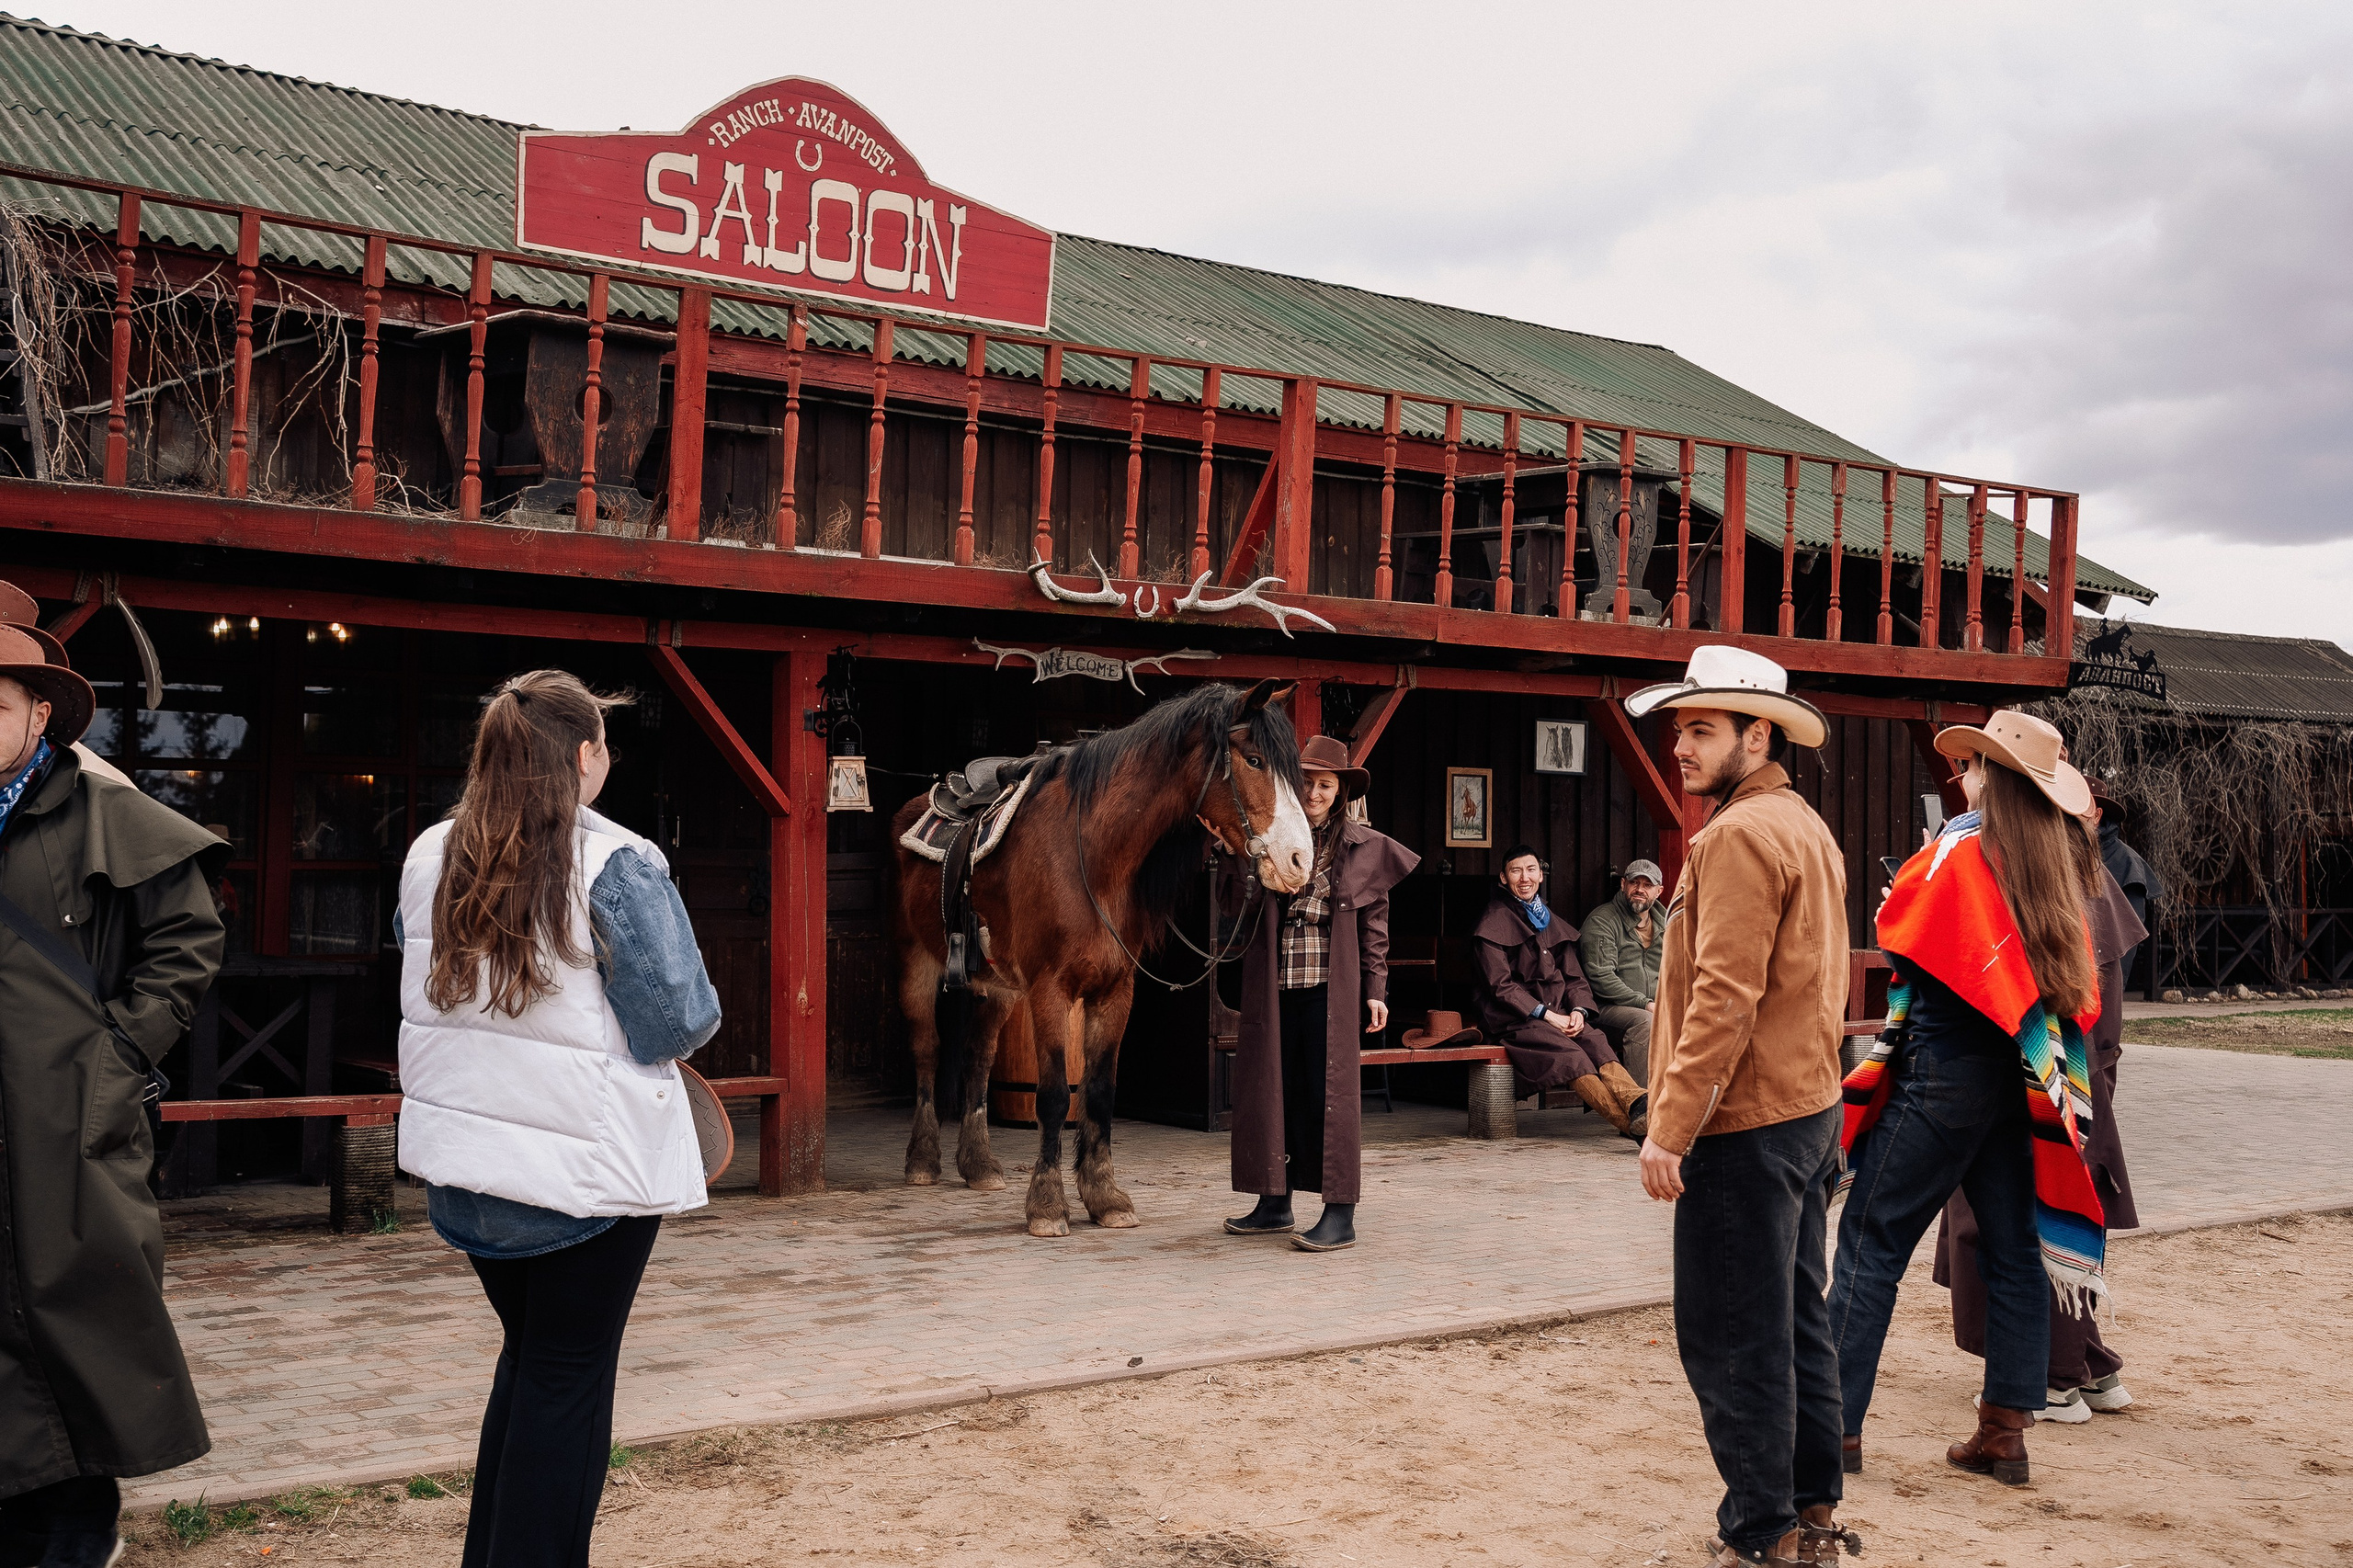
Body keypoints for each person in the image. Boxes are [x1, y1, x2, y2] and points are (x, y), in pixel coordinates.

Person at [397, 670, 720, 1568]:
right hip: (584, 1179)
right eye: (605, 744)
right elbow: (679, 1019)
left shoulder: (429, 851)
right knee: (567, 1381)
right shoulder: (617, 860)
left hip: (467, 1168)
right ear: (585, 754)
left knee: (534, 1364)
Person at [1829, 710, 2109, 1493]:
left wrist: (1906, 894)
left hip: (1944, 1070)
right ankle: (2005, 1433)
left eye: (1976, 763)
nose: (1963, 775)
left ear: (1998, 777)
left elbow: (1898, 927)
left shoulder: (1958, 847)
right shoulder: (2061, 862)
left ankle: (1830, 1429)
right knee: (2015, 1251)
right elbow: (2068, 993)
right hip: (2024, 1079)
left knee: (1871, 1240)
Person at [0, 623, 226, 1568]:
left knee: (83, 1312)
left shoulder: (100, 807)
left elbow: (186, 942)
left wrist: (119, 1056)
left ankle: (82, 1527)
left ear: (37, 712)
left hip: (69, 1120)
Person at [1627, 645, 1854, 1568]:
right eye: (1680, 727)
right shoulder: (1802, 823)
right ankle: (1809, 1511)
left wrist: (1668, 1125)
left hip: (1745, 1120)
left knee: (1730, 1331)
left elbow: (1723, 995)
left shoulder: (1732, 837)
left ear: (1756, 735)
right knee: (1796, 1316)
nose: (1680, 744)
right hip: (1805, 1106)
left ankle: (1762, 1533)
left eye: (1702, 728)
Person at [1934, 823, 2144, 1420]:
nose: (1966, 782)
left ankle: (2050, 1379)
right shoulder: (2078, 868)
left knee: (2011, 1222)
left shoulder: (2035, 872)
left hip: (2039, 1077)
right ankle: (2089, 1369)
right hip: (2078, 1075)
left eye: (1975, 770)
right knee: (2054, 1214)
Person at [1223, 733, 1417, 1254]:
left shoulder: (1363, 846)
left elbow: (1375, 927)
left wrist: (1376, 990)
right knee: (1272, 1090)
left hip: (1332, 992)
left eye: (1325, 785)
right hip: (1275, 985)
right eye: (1306, 782)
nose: (1314, 793)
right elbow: (1235, 908)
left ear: (1340, 791)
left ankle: (1339, 1213)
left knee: (1327, 1097)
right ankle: (1274, 1202)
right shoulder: (1272, 835)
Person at [1473, 845, 1647, 1140]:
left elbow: (1574, 977)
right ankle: (1637, 1127)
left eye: (1530, 870)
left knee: (1594, 1040)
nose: (1524, 877)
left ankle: (1637, 1102)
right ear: (1504, 878)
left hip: (1561, 1014)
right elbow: (1500, 986)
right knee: (1570, 1057)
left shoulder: (1548, 919)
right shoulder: (1493, 921)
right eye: (1516, 871)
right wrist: (1547, 1015)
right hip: (1516, 1020)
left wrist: (1578, 1011)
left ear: (1540, 876)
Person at [1580, 858, 1665, 1083]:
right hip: (1607, 1008)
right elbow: (1601, 978)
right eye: (1634, 883)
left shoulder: (1668, 924)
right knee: (1646, 1022)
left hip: (1656, 1006)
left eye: (1647, 885)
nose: (1640, 890)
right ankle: (1642, 1108)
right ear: (1623, 884)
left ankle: (1692, 1108)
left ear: (1659, 891)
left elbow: (1682, 971)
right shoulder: (1603, 921)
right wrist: (1645, 1003)